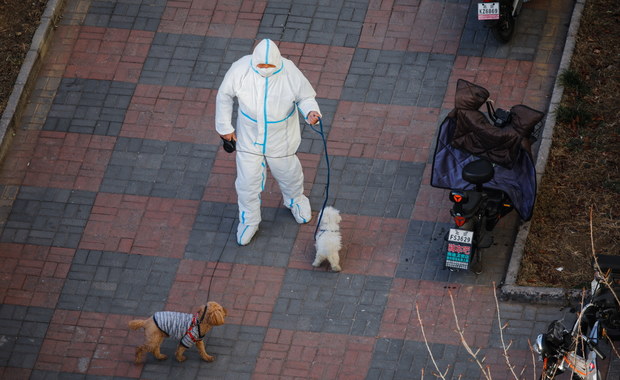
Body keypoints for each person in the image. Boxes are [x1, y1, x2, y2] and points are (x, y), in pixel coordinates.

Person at [216, 38, 322, 246]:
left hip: (281, 139)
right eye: (261, 65)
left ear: (277, 61)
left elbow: (305, 97)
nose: (265, 68)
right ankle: (249, 220)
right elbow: (224, 96)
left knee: (289, 174)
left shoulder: (289, 71)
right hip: (249, 138)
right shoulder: (240, 69)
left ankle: (296, 201)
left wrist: (311, 111)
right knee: (247, 182)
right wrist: (225, 128)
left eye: (269, 65)